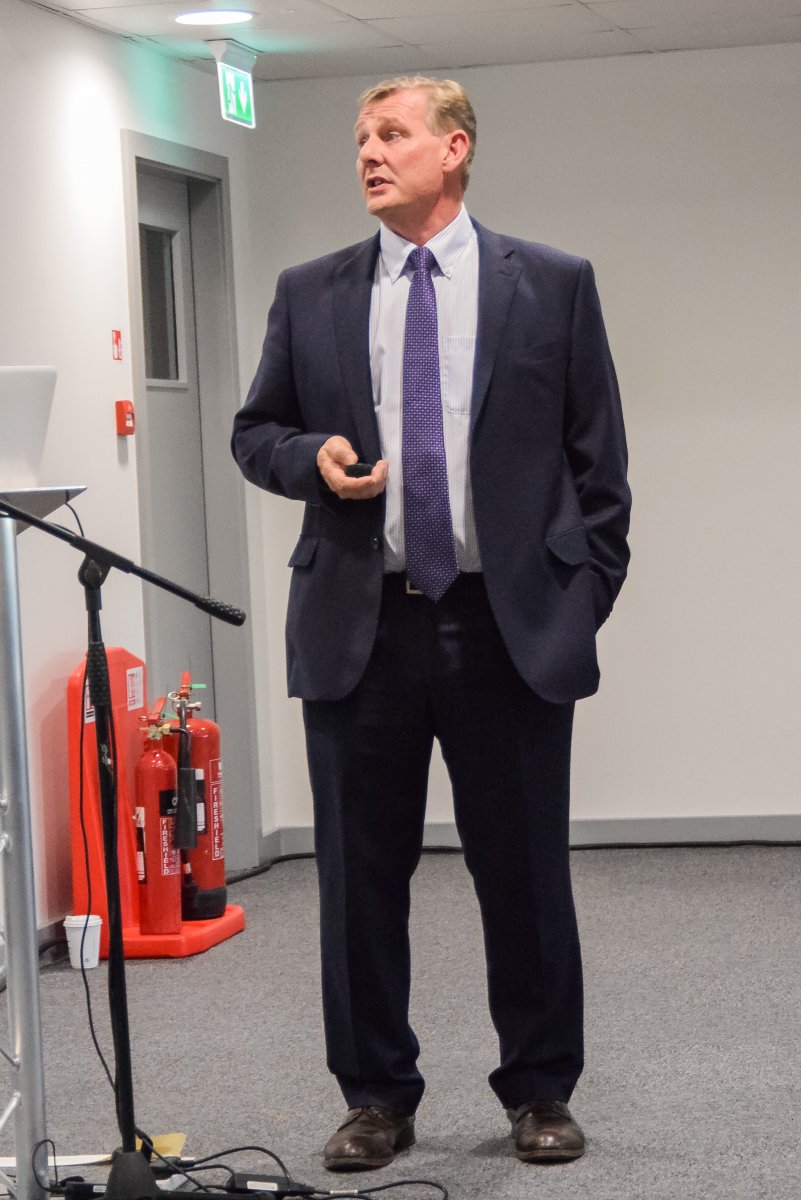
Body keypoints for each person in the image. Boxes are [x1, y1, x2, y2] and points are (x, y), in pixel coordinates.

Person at [231, 75, 630, 1170]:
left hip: (505, 625)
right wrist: (307, 458)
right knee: (358, 882)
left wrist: (577, 600)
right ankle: (375, 1097)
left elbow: (599, 463)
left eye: (393, 134)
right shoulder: (311, 291)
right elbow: (255, 430)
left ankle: (541, 1089)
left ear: (454, 149)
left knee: (523, 872)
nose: (369, 152)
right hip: (361, 627)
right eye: (361, 137)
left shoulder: (550, 284)